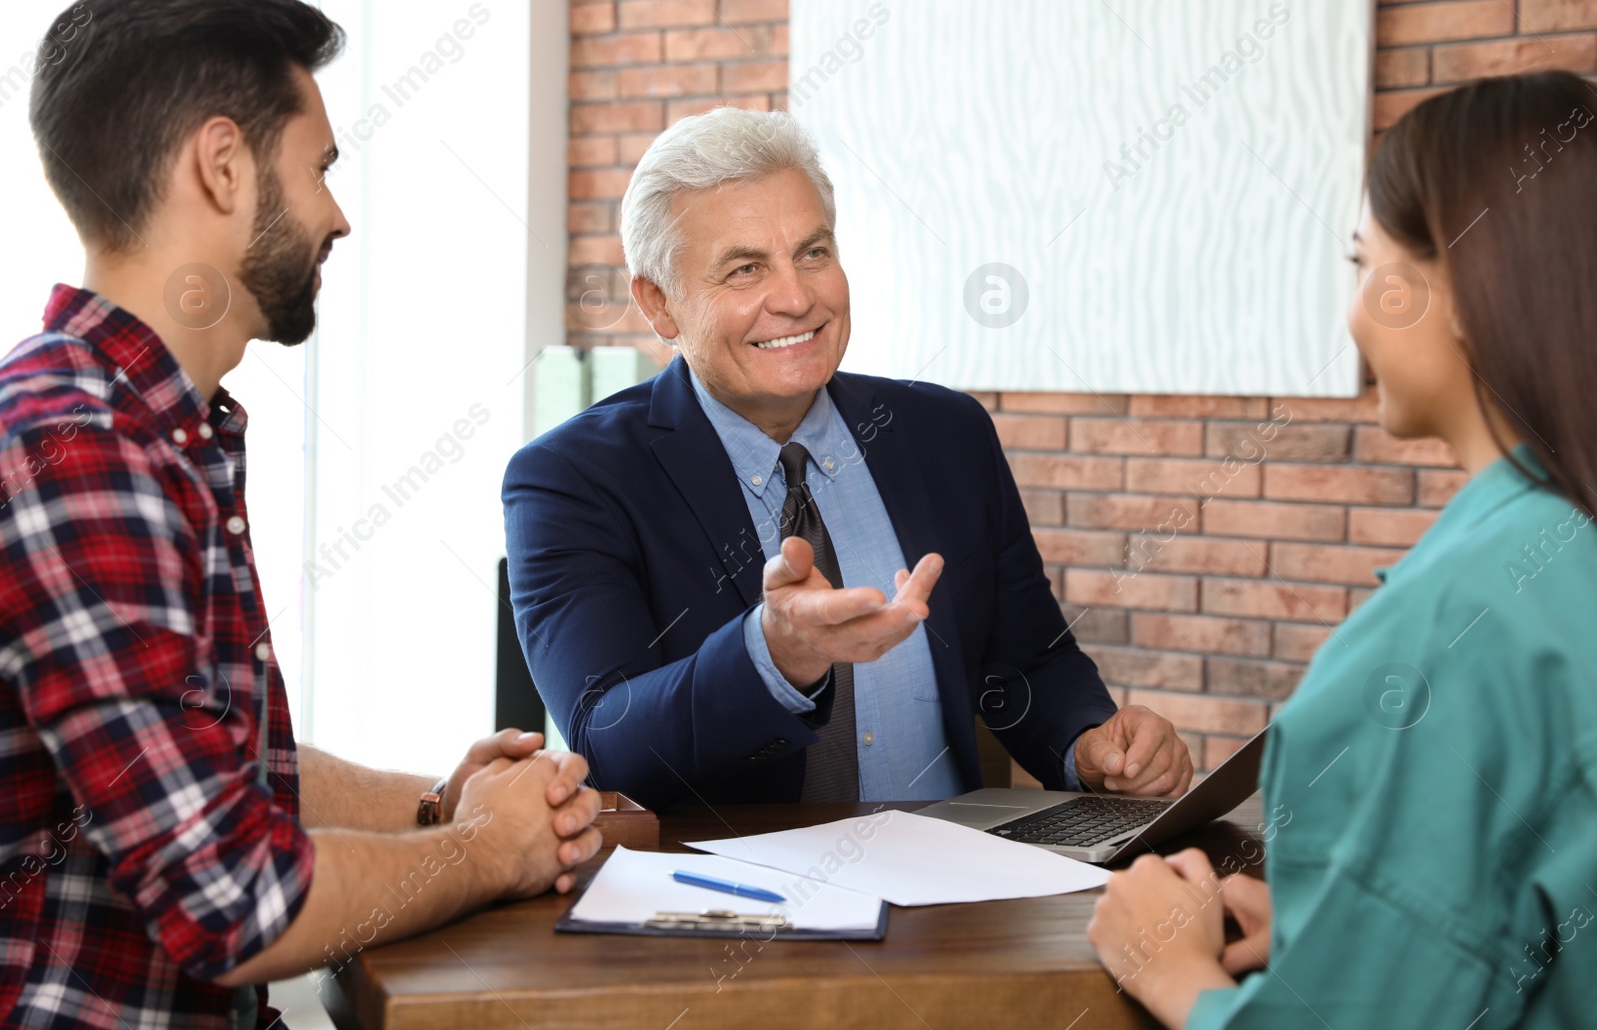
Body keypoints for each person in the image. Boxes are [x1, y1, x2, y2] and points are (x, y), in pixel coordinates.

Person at [0, 0, 601, 1028]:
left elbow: (216, 758)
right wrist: (488, 846)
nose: (338, 215)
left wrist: (438, 805)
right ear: (222, 166)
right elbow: (237, 902)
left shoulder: (150, 427)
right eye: (319, 167)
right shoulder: (80, 446)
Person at [1087, 70, 1597, 1028]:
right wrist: (1351, 928)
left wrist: (1177, 976)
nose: (1355, 314)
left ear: (1453, 288)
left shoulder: (1459, 621)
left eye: (1365, 263)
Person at [503, 108, 1193, 808]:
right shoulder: (571, 479)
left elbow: (1028, 662)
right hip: (733, 904)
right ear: (659, 304)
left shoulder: (948, 434)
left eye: (813, 253)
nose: (798, 298)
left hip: (960, 895)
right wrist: (773, 658)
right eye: (746, 269)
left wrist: (1089, 745)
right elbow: (609, 740)